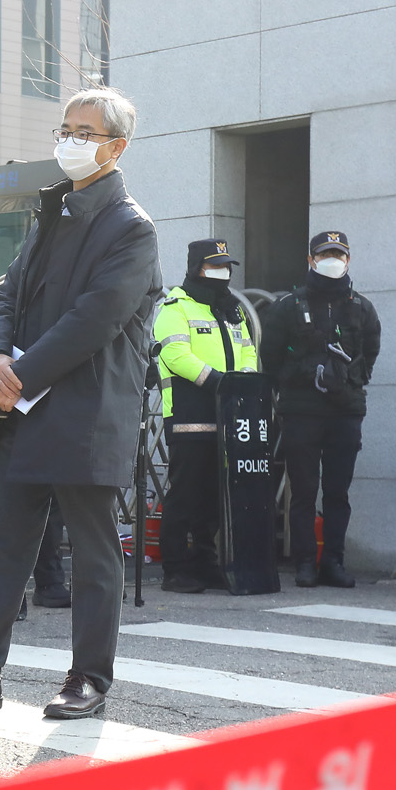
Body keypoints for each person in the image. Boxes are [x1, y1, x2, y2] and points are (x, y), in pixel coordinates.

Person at [0, 87, 162, 722]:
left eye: (85, 132)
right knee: (4, 547)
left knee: (94, 554)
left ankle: (89, 679)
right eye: (65, 128)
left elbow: (95, 319)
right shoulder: (52, 213)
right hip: (24, 406)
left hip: (87, 411)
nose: (70, 141)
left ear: (116, 147)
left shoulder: (131, 227)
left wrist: (15, 378)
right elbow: (4, 295)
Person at [260, 232, 382, 588]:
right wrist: (296, 379)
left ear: (348, 260)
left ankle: (334, 562)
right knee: (303, 490)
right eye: (325, 254)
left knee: (337, 492)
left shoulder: (362, 307)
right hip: (301, 411)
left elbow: (370, 351)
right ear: (311, 260)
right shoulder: (288, 306)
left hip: (345, 411)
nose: (332, 260)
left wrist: (350, 379)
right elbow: (270, 356)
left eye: (338, 254)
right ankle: (304, 563)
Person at [154, 238, 258, 593]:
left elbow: (247, 350)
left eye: (226, 266)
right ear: (197, 267)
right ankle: (175, 569)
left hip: (228, 416)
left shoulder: (232, 309)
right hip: (189, 415)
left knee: (214, 496)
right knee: (185, 495)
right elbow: (175, 355)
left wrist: (243, 382)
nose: (222, 272)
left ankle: (205, 561)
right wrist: (218, 383)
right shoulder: (176, 306)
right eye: (215, 265)